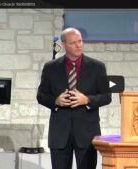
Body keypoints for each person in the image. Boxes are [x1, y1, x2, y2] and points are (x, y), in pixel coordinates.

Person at [37, 27, 111, 169]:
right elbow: (41, 96)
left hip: (87, 134)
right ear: (64, 45)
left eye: (80, 41)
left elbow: (107, 96)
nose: (79, 45)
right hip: (60, 134)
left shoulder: (98, 67)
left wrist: (87, 100)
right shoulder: (50, 67)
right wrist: (55, 101)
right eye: (73, 43)